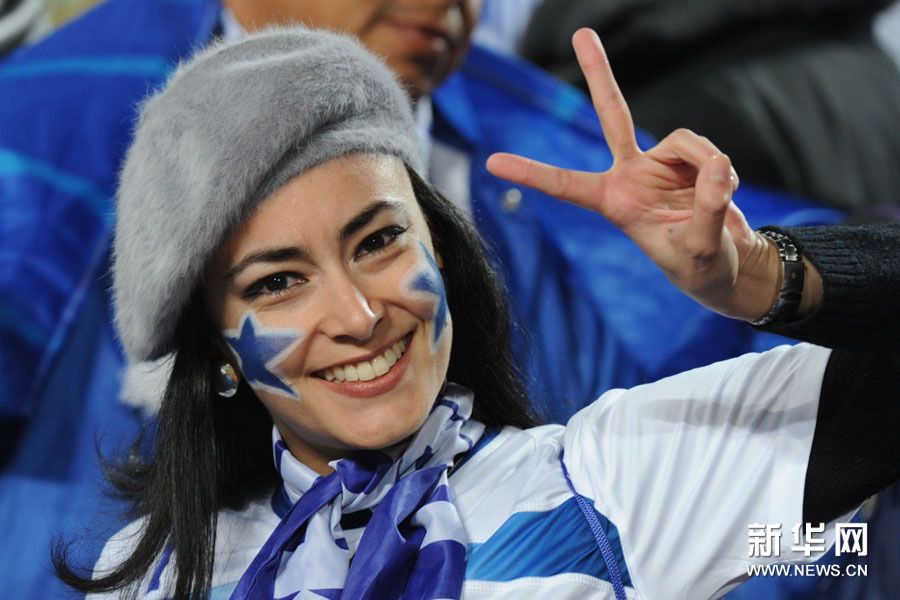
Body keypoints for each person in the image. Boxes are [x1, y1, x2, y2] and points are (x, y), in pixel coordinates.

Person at [53, 27, 898, 600]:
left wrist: (759, 279)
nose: (357, 314)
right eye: (278, 283)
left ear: (442, 248)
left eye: (379, 241)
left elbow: (830, 539)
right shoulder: (150, 575)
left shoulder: (612, 480)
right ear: (220, 352)